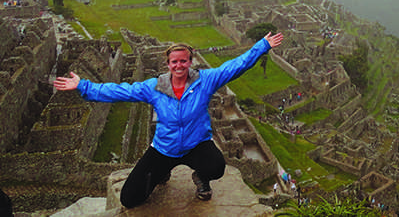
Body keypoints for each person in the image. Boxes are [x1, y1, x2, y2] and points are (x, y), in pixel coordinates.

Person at [54, 32, 283, 208]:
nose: (179, 66)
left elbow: (236, 66)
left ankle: (201, 176)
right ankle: (162, 173)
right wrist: (83, 86)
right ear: (168, 64)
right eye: (174, 62)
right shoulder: (154, 87)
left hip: (196, 145)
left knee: (217, 166)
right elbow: (120, 91)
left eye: (183, 61)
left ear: (190, 62)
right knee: (130, 198)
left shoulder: (205, 81)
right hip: (165, 148)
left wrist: (262, 46)